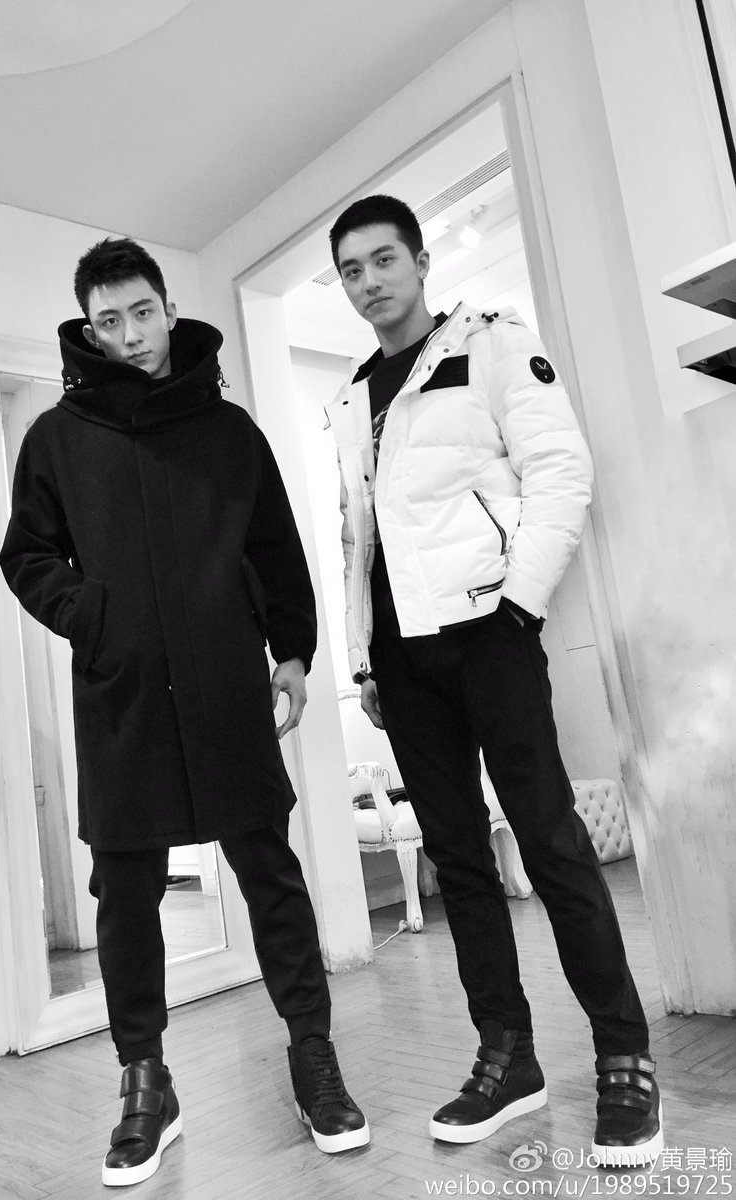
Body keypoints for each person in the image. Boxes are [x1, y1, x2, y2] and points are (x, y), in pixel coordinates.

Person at [0, 237, 368, 1187]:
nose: (130, 336)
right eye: (108, 321)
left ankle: (314, 1058)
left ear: (168, 308)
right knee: (125, 895)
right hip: (121, 696)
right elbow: (27, 556)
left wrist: (292, 650)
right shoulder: (56, 439)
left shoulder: (230, 432)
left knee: (270, 875)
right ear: (89, 329)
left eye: (142, 313)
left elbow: (276, 547)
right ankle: (145, 1084)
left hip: (225, 686)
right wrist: (92, 618)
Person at [324, 194, 662, 1168]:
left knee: (550, 842)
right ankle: (506, 1057)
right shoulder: (350, 398)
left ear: (421, 262)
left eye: (383, 260)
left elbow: (562, 471)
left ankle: (624, 1057)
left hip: (490, 632)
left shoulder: (493, 343)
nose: (368, 282)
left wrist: (519, 609)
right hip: (402, 658)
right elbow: (359, 540)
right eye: (350, 270)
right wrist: (364, 657)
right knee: (459, 860)